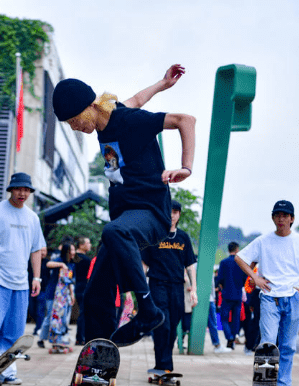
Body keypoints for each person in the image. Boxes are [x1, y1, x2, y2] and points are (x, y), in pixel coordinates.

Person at [52, 65, 195, 347]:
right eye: (70, 125)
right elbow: (137, 99)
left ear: (91, 106)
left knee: (114, 232)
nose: (76, 127)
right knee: (95, 293)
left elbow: (185, 120)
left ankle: (148, 311)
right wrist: (162, 83)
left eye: (76, 120)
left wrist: (186, 168)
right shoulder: (107, 117)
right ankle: (98, 359)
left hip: (151, 214)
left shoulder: (129, 121)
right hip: (126, 218)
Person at [235, 200, 299, 386]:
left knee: (288, 344)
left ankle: (281, 383)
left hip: (293, 296)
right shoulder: (263, 241)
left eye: (285, 215)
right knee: (268, 341)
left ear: (292, 219)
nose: (281, 219)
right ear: (273, 218)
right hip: (269, 297)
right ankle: (264, 383)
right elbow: (240, 258)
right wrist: (256, 278)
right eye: (277, 215)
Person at [0, 173, 45, 384]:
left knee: (13, 332)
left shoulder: (32, 218)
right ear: (11, 190)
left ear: (30, 192)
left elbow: (36, 250)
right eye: (18, 189)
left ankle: (6, 372)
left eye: (26, 190)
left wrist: (37, 278)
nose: (22, 193)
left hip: (20, 283)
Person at [141, 200, 197, 375]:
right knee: (162, 323)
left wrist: (194, 289)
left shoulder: (183, 237)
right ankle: (165, 365)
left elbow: (190, 266)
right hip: (158, 284)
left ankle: (161, 364)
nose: (172, 215)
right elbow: (143, 264)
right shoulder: (153, 235)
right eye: (169, 211)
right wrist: (140, 288)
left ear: (179, 215)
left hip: (177, 287)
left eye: (175, 212)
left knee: (173, 326)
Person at [37, 243, 76, 348]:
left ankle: (58, 339)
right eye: (71, 250)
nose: (73, 252)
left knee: (61, 317)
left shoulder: (72, 264)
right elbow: (48, 264)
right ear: (66, 251)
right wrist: (61, 265)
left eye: (74, 250)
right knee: (50, 316)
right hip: (52, 294)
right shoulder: (59, 260)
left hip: (64, 296)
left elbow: (70, 281)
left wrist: (72, 295)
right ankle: (41, 338)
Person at [217, 242, 247, 348]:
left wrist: (222, 287)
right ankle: (233, 338)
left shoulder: (224, 262)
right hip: (238, 294)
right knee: (236, 318)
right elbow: (245, 278)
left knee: (224, 318)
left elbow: (219, 278)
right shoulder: (241, 263)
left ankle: (229, 337)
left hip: (226, 294)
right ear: (237, 249)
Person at [74, 237, 93, 346]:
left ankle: (79, 337)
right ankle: (80, 338)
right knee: (83, 313)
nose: (90, 245)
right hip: (84, 288)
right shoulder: (86, 260)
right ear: (81, 245)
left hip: (75, 287)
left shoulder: (73, 257)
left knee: (81, 313)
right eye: (88, 243)